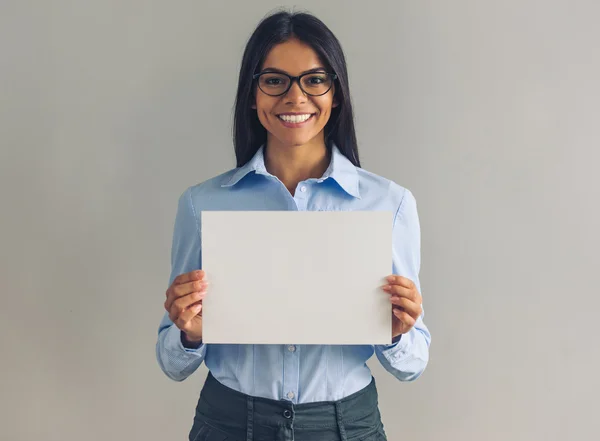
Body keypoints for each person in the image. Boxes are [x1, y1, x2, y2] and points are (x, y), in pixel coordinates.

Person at [156, 10, 431, 441]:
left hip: (346, 426)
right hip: (229, 423)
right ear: (253, 94)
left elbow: (413, 365)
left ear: (335, 93)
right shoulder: (201, 205)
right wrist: (189, 334)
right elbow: (172, 363)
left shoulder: (389, 205)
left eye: (314, 79)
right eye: (274, 80)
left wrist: (398, 334)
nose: (295, 96)